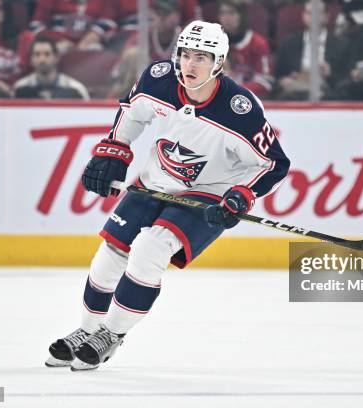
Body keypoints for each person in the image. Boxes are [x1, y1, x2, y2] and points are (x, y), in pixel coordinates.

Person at [45, 20, 290, 371]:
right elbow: (131, 110)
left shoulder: (241, 111)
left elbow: (274, 164)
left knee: (150, 249)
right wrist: (114, 149)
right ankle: (86, 331)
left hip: (209, 193)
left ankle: (110, 336)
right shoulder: (158, 78)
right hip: (155, 180)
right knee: (109, 253)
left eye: (201, 58)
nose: (189, 65)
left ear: (218, 62)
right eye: (185, 55)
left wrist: (242, 195)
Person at [275, 0, 343, 100]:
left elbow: (347, 78)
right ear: (303, 16)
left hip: (328, 93)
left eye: (317, 12)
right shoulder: (289, 43)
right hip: (295, 93)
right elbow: (278, 76)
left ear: (327, 17)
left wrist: (330, 73)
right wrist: (284, 80)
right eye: (309, 13)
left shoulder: (341, 44)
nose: (313, 17)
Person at [218, 0, 274, 97]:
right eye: (223, 13)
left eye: (231, 13)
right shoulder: (215, 42)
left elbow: (266, 82)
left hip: (250, 100)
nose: (226, 18)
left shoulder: (258, 44)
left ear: (242, 16)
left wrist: (236, 90)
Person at [13, 37, 90, 99]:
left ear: (56, 57)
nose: (42, 59)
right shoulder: (20, 87)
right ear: (31, 59)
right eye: (37, 54)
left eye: (47, 54)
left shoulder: (76, 88)